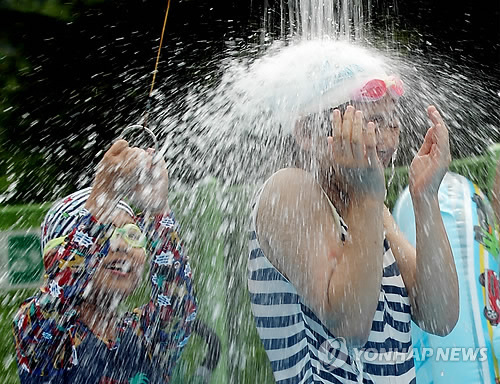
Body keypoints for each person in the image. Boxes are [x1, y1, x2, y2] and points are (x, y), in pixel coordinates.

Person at [247, 43, 459, 383]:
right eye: (372, 121)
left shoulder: (372, 213)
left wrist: (426, 198)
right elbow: (350, 325)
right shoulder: (287, 192)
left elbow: (440, 318)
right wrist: (367, 201)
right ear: (309, 134)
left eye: (392, 122)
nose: (388, 140)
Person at [13, 140, 197, 384]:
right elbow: (60, 294)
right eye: (104, 231)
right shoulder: (39, 330)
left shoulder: (145, 335)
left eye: (132, 235)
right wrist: (103, 197)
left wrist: (159, 210)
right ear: (54, 259)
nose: (122, 245)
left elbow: (179, 303)